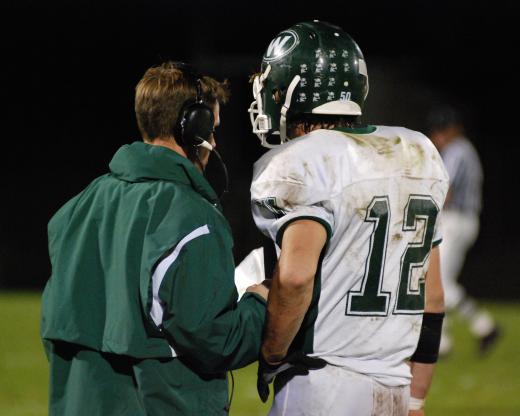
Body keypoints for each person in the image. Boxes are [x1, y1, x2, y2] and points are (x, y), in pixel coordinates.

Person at [244, 21, 450, 415]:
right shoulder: (417, 151)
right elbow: (433, 297)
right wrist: (416, 399)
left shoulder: (298, 162)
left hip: (320, 385)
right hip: (395, 385)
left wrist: (271, 356)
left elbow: (296, 278)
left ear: (292, 92)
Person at [40, 61, 268, 416]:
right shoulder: (194, 217)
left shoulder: (79, 206)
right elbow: (215, 341)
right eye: (213, 128)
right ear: (195, 127)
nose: (215, 142)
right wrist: (258, 304)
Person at [427, 106, 500, 356]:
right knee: (442, 279)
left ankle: (484, 326)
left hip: (455, 220)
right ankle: (444, 340)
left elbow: (445, 189)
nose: (437, 137)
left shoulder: (457, 151)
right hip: (463, 220)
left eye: (440, 130)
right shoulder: (464, 149)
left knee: (439, 281)